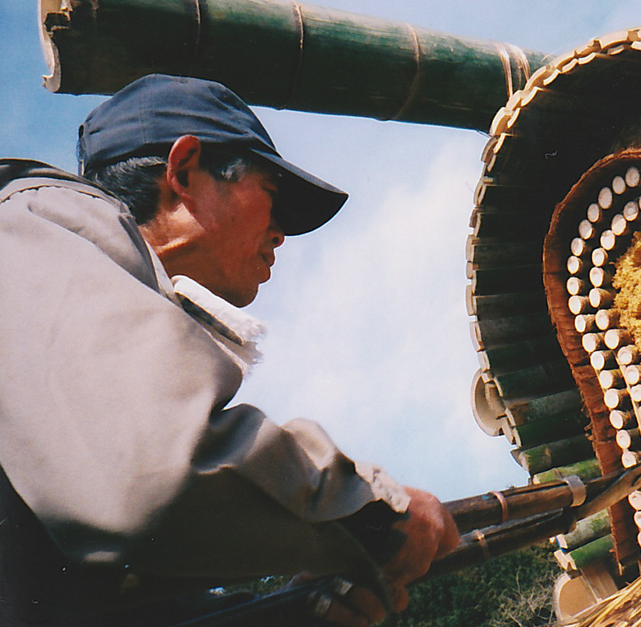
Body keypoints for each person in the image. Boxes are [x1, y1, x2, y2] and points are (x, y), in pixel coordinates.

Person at [0, 74, 460, 627]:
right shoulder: (31, 226)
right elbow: (152, 476)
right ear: (185, 171)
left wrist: (286, 616)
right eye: (274, 197)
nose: (281, 235)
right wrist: (370, 512)